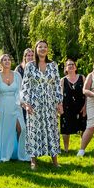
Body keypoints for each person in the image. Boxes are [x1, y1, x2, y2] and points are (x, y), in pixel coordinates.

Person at [20, 40, 63, 170]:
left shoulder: (53, 65)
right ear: (36, 49)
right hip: (34, 103)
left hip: (50, 103)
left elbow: (57, 85)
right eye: (40, 47)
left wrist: (59, 102)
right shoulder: (30, 66)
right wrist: (26, 104)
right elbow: (25, 86)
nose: (43, 49)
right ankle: (33, 161)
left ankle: (54, 160)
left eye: (45, 47)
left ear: (48, 50)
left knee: (52, 130)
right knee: (34, 130)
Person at [0, 54, 29, 163]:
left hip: (15, 106)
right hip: (1, 105)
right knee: (4, 131)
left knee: (22, 128)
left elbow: (21, 92)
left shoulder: (17, 75)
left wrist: (23, 104)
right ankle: (4, 154)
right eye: (4, 60)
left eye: (9, 60)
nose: (7, 61)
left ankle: (20, 153)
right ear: (0, 63)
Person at [60, 58, 86, 153]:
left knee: (83, 127)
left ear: (75, 67)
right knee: (66, 128)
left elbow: (86, 93)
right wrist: (60, 107)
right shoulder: (63, 80)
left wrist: (85, 106)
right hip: (67, 107)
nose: (70, 66)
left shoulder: (82, 77)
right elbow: (59, 95)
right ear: (66, 68)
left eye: (72, 64)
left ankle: (82, 148)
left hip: (80, 107)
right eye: (68, 65)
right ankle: (66, 148)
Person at [15, 48, 34, 123]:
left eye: (32, 55)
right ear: (25, 57)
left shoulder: (36, 67)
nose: (30, 57)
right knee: (23, 120)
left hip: (33, 96)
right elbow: (15, 84)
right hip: (22, 96)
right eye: (28, 55)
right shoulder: (19, 69)